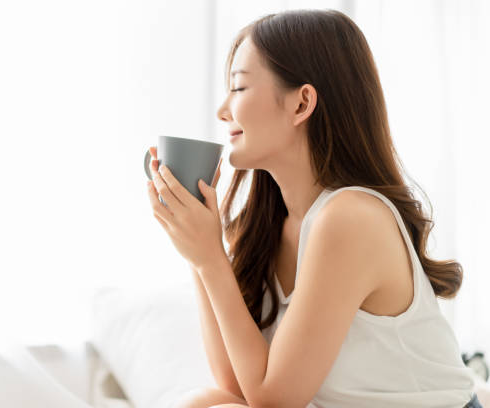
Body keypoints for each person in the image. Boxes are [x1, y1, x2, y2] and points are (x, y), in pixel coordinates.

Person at [147, 8, 482, 408]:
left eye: (238, 88)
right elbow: (237, 386)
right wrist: (196, 248)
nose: (223, 110)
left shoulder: (351, 217)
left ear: (302, 103)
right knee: (206, 402)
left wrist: (209, 259)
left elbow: (274, 402)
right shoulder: (273, 225)